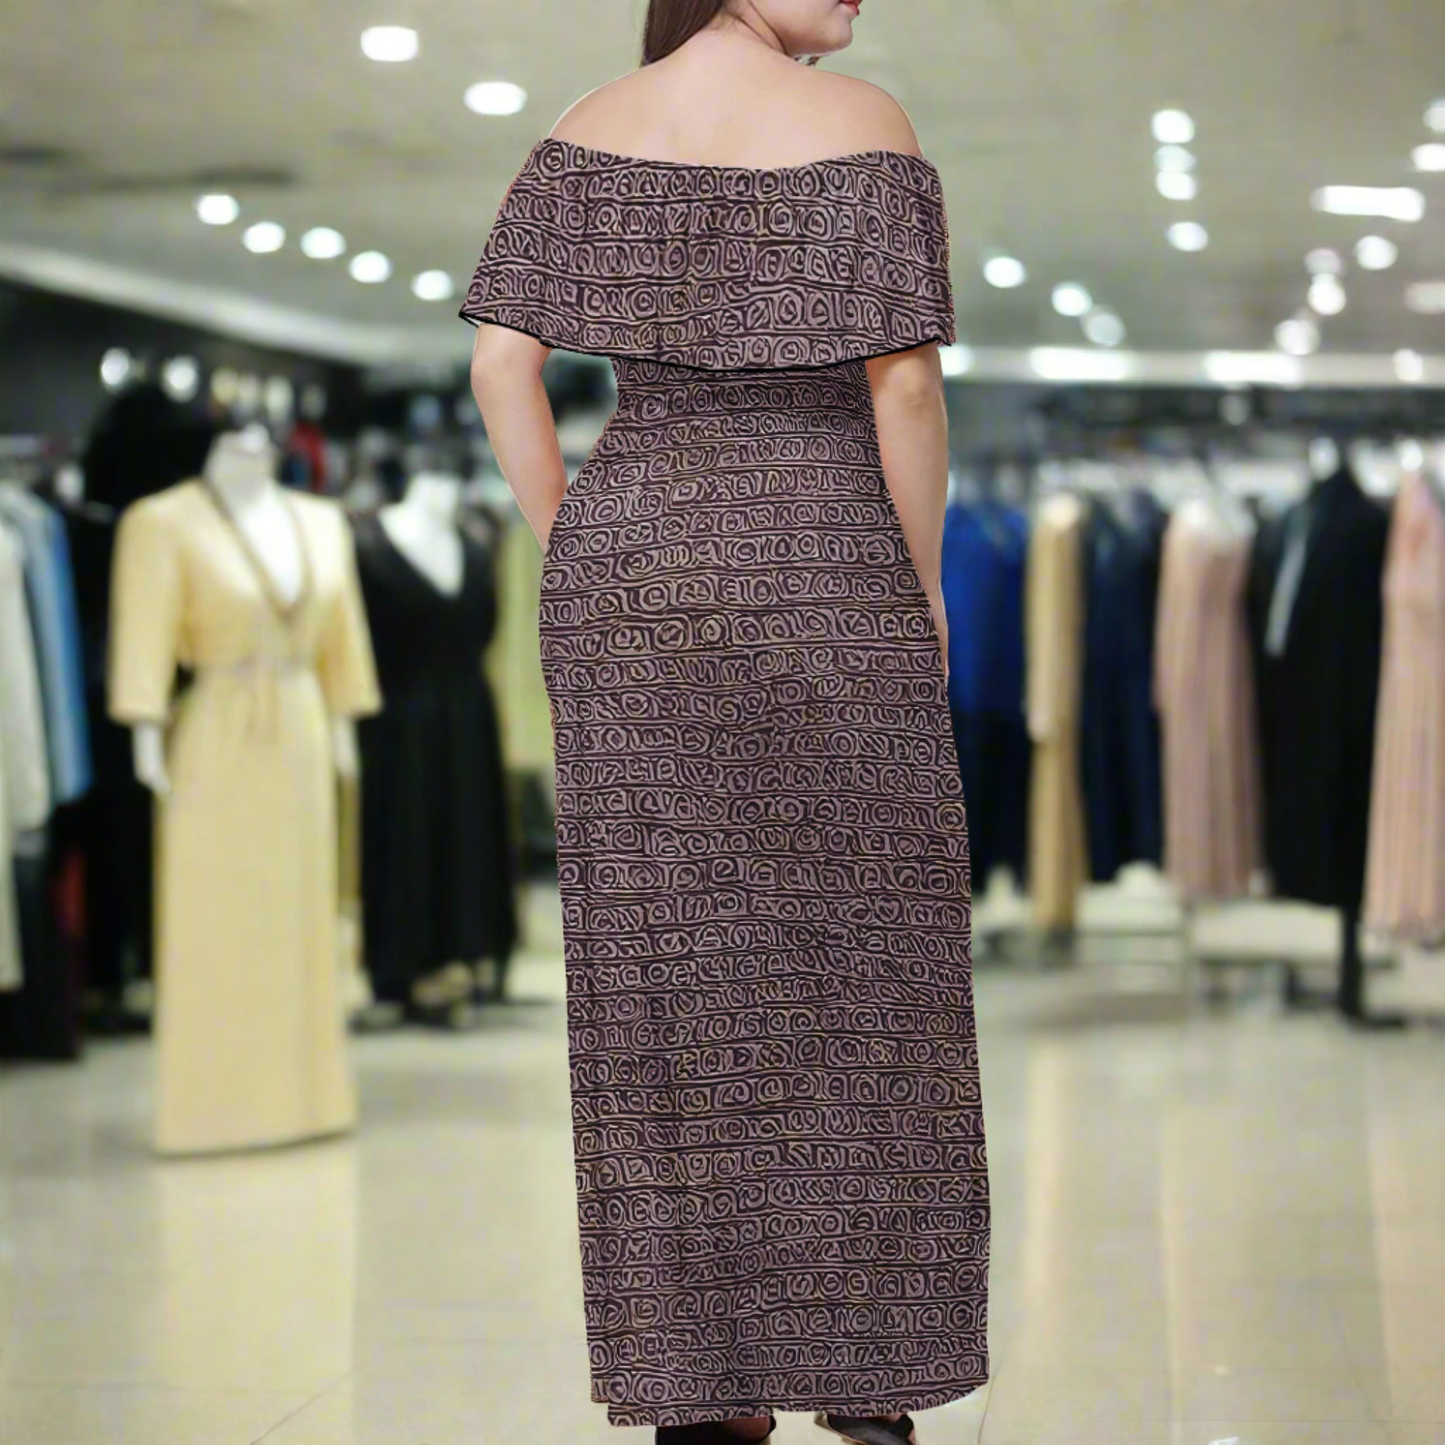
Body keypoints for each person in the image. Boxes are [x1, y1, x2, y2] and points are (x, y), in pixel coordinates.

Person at [462, 3, 989, 1442]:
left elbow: (502, 366)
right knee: (867, 963)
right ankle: (866, 1375)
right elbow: (904, 384)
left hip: (634, 559)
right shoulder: (862, 125)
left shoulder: (588, 126)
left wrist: (576, 543)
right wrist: (922, 584)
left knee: (660, 976)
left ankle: (701, 1385)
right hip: (826, 556)